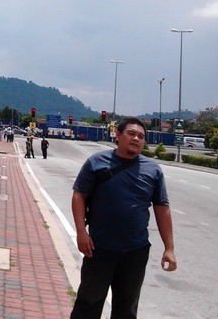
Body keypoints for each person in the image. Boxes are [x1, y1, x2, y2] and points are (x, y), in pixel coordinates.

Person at [70, 117, 177, 319]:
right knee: (88, 304)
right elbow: (79, 195)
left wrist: (169, 248)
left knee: (127, 309)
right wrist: (81, 233)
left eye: (141, 136)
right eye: (131, 134)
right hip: (98, 248)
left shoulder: (153, 169)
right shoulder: (96, 162)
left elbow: (162, 208)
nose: (136, 138)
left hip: (135, 252)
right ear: (117, 135)